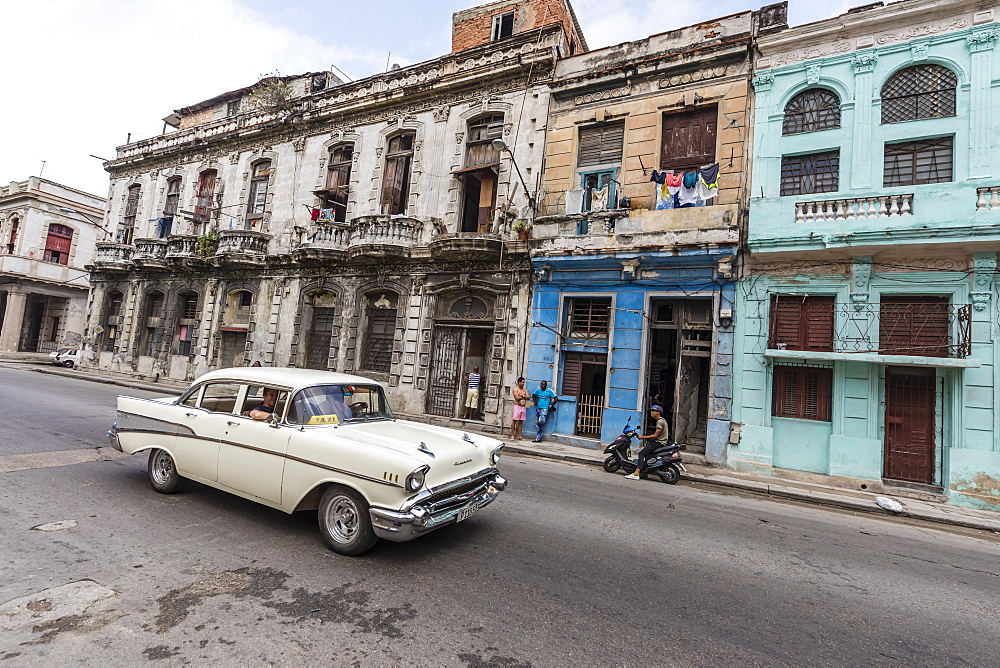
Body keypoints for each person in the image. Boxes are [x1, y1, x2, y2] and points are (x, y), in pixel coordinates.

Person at [625, 405, 671, 480]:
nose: (651, 412)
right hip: (660, 442)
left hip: (658, 442)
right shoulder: (662, 420)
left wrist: (642, 437)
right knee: (647, 455)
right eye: (651, 411)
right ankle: (644, 472)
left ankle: (636, 473)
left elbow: (656, 435)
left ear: (658, 412)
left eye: (653, 411)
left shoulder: (660, 422)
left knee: (641, 453)